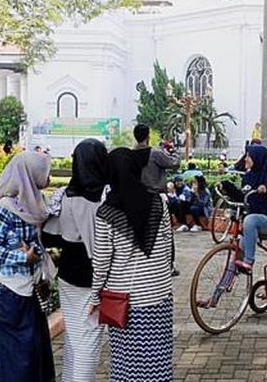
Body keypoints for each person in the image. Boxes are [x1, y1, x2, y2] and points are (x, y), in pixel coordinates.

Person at [89, 148, 173, 382]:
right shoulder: (159, 203)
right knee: (158, 361)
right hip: (159, 296)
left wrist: (95, 297)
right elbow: (168, 249)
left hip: (125, 301)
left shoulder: (106, 213)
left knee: (127, 364)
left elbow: (102, 262)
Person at [0, 152, 55, 382]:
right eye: (45, 171)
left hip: (29, 290)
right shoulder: (5, 207)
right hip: (9, 292)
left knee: (32, 354)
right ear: (30, 174)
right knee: (16, 357)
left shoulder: (34, 202)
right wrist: (22, 258)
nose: (48, 176)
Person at [42, 139, 108, 382]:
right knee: (88, 341)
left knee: (74, 338)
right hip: (95, 277)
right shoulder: (105, 197)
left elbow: (49, 236)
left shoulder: (63, 195)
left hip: (68, 275)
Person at [235, 144, 267, 272]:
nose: (245, 159)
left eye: (249, 156)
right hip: (251, 219)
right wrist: (227, 188)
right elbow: (243, 197)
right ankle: (229, 276)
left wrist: (266, 188)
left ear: (258, 158)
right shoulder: (247, 177)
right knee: (239, 244)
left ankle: (249, 261)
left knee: (250, 220)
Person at [133, 124, 181, 194]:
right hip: (154, 197)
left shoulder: (131, 155)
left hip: (136, 195)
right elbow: (174, 163)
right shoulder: (155, 153)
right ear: (148, 137)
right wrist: (174, 151)